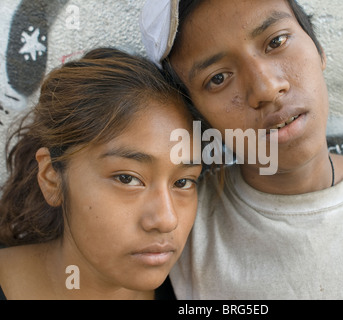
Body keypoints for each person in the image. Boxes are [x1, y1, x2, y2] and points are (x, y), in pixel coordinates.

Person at [140, 0, 343, 299]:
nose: (266, 88)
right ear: (198, 115)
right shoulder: (180, 234)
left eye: (276, 41)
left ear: (318, 48)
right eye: (218, 78)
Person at [0, 48, 202, 300]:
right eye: (127, 178)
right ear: (52, 177)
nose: (166, 220)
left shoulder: (200, 290)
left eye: (183, 182)